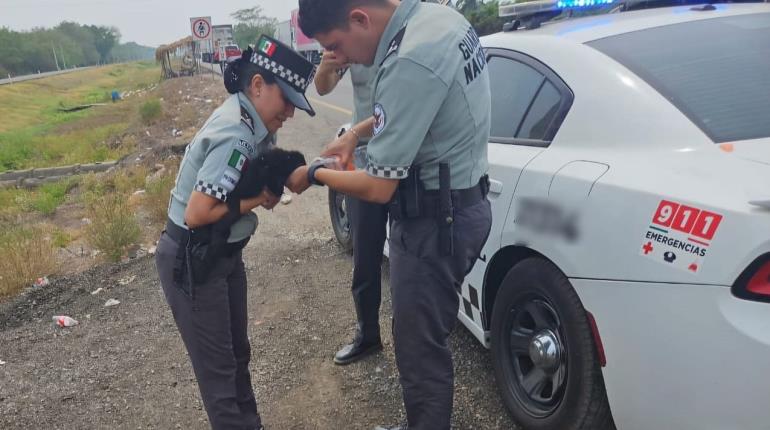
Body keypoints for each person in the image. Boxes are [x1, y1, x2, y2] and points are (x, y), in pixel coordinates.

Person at [297, 1, 492, 429]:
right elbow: (412, 109)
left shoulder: (412, 58)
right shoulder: (438, 20)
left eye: (337, 46)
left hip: (435, 222)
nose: (341, 59)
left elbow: (377, 186)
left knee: (419, 349)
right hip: (455, 208)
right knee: (419, 338)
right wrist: (355, 133)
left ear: (360, 19)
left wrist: (314, 173)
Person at [154, 35, 315, 430]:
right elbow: (198, 213)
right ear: (257, 85)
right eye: (287, 101)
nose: (291, 113)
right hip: (195, 257)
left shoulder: (250, 121)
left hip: (222, 253)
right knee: (221, 377)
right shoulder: (236, 134)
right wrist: (258, 199)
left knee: (237, 357)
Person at [314, 53, 386, 365]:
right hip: (365, 161)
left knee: (414, 257)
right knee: (365, 255)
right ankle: (368, 334)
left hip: (407, 157)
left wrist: (354, 133)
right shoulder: (349, 41)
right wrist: (327, 65)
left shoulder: (402, 39)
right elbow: (323, 88)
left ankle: (420, 336)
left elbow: (398, 113)